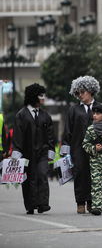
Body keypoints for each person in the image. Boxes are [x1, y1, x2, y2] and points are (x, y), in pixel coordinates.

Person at [12, 83, 55, 214]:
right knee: (29, 178)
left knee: (42, 175)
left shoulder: (45, 116)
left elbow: (50, 135)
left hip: (42, 152)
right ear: (33, 97)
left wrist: (51, 150)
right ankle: (30, 205)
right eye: (41, 95)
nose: (43, 98)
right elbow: (18, 135)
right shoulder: (21, 115)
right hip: (26, 153)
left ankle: (43, 204)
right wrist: (17, 152)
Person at [61, 76, 102, 214]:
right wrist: (65, 149)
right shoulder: (73, 110)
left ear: (90, 90)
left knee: (94, 174)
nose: (79, 95)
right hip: (77, 147)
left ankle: (92, 202)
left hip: (96, 148)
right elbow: (68, 129)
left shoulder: (99, 107)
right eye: (77, 93)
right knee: (79, 174)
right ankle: (80, 202)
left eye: (82, 92)